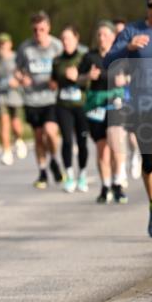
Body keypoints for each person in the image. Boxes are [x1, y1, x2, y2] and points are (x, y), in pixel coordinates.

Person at [103, 0, 152, 238]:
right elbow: (108, 61)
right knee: (149, 161)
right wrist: (129, 48)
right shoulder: (133, 31)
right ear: (146, 6)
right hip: (140, 105)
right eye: (151, 5)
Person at [17, 11, 64, 189]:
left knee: (50, 132)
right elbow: (18, 69)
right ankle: (43, 171)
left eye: (42, 29)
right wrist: (22, 77)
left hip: (51, 98)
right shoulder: (26, 48)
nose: (38, 33)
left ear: (48, 28)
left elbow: (66, 66)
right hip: (31, 98)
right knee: (38, 137)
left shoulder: (57, 47)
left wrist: (57, 80)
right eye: (35, 30)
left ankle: (54, 159)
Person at [83, 21, 129, 204]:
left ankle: (118, 183)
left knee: (115, 139)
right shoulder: (89, 57)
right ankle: (105, 186)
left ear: (112, 37)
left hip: (115, 103)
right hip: (96, 106)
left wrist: (124, 78)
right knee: (102, 150)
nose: (101, 38)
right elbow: (77, 79)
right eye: (99, 35)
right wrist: (87, 77)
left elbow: (134, 74)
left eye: (105, 35)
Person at [51, 25, 91, 193]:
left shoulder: (84, 58)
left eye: (68, 38)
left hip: (81, 105)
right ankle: (69, 176)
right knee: (67, 140)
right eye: (63, 39)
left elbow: (92, 81)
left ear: (76, 39)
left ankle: (82, 174)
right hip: (63, 105)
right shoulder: (57, 60)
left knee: (82, 142)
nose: (65, 42)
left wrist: (77, 78)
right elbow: (53, 81)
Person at [0, 33, 28, 166]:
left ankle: (18, 139)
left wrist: (18, 80)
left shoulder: (16, 58)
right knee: (3, 122)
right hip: (0, 95)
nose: (2, 46)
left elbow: (23, 74)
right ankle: (6, 152)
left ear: (10, 44)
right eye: (0, 43)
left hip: (15, 95)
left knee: (16, 124)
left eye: (5, 43)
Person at [116, 17, 142, 180]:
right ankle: (121, 170)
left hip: (132, 97)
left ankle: (135, 155)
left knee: (132, 136)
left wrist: (126, 79)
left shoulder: (134, 52)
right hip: (116, 100)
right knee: (119, 135)